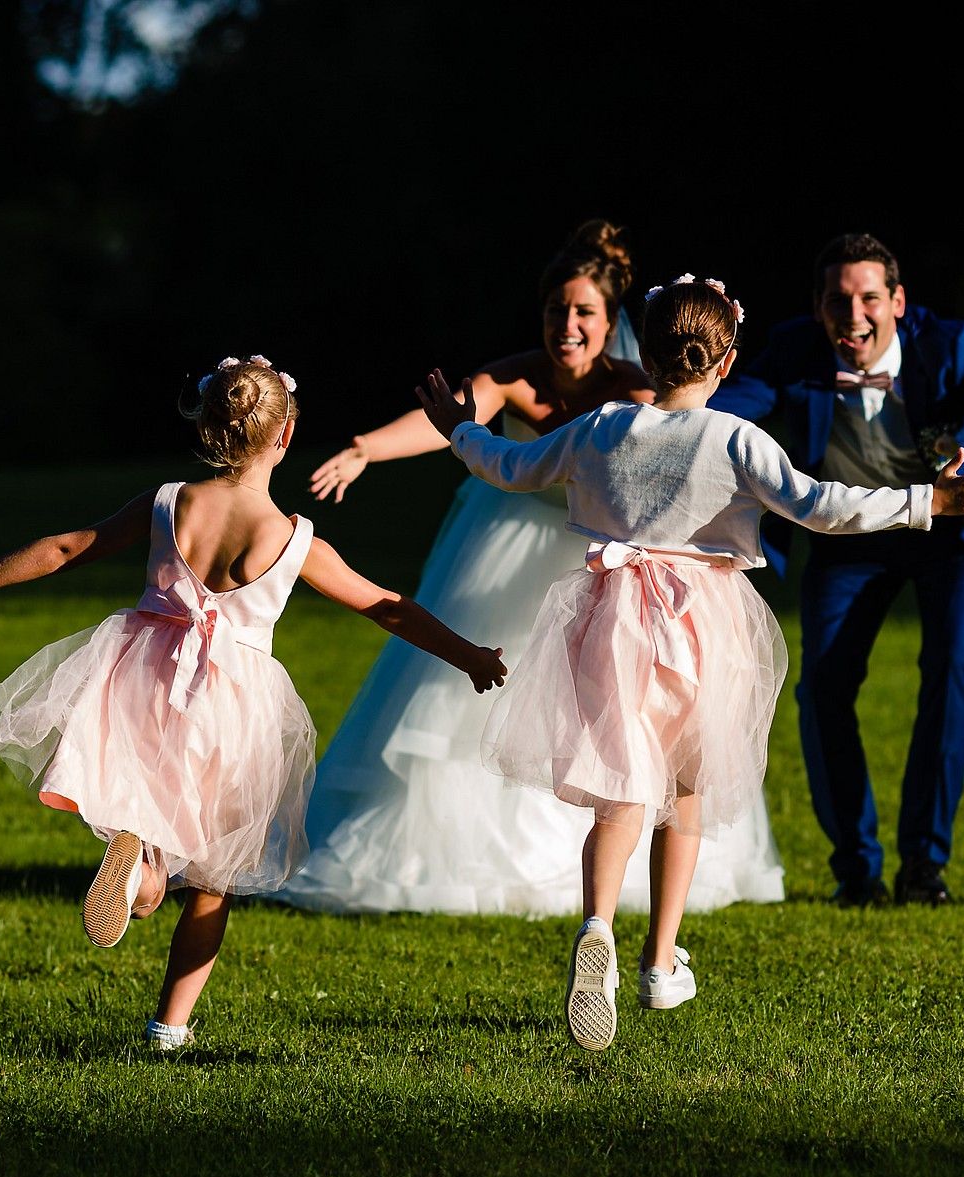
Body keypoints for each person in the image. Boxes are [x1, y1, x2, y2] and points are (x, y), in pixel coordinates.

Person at [416, 275, 964, 1050]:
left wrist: (460, 430)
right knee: (685, 790)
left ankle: (597, 923)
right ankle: (661, 961)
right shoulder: (736, 439)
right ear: (725, 363)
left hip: (614, 615)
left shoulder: (600, 426)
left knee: (619, 788)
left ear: (644, 354)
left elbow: (510, 466)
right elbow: (823, 507)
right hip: (705, 624)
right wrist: (926, 501)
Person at [0, 357, 505, 1050]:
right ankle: (168, 1023)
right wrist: (468, 655)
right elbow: (387, 606)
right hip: (231, 712)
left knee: (142, 807)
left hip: (140, 679)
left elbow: (65, 548)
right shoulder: (294, 540)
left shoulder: (169, 502)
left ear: (205, 425)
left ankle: (141, 871)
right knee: (213, 876)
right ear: (286, 438)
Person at [280, 221, 785, 914]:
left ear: (611, 324)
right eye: (557, 311)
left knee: (623, 713)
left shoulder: (638, 394)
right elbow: (457, 421)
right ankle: (450, 852)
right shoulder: (514, 375)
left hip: (609, 566)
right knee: (467, 695)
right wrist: (366, 447)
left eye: (584, 313)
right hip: (506, 541)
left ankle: (609, 865)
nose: (567, 326)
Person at [712, 233, 964, 908]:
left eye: (868, 298)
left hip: (959, 526)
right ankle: (856, 869)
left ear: (898, 301)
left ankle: (924, 865)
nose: (853, 314)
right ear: (818, 305)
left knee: (950, 667)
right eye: (836, 300)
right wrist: (649, 419)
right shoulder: (796, 349)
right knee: (822, 688)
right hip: (853, 531)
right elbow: (726, 405)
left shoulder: (947, 345)